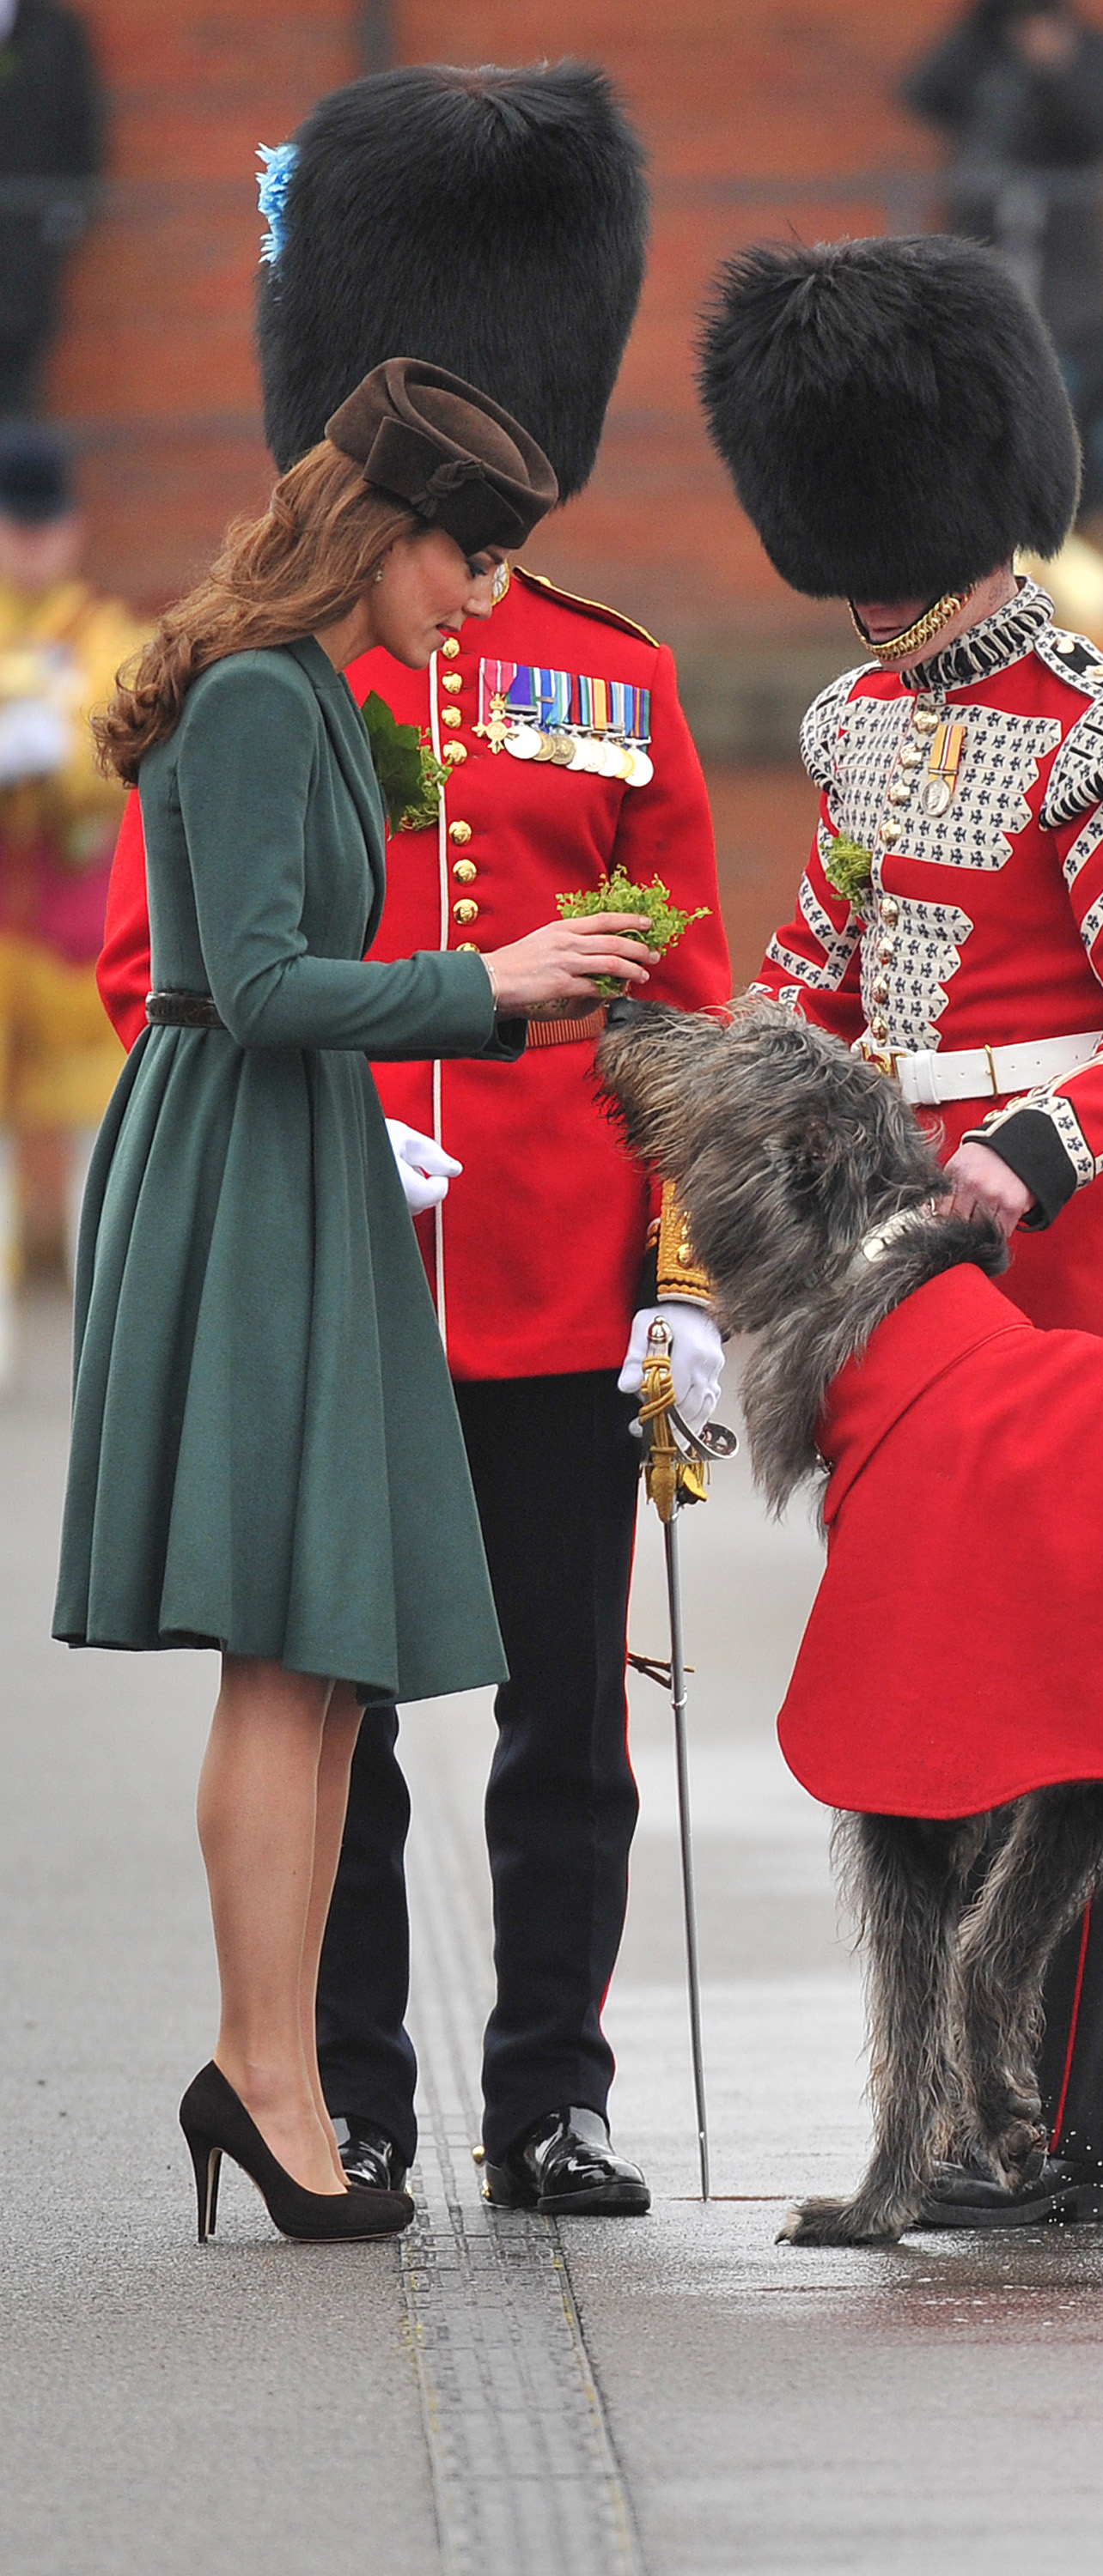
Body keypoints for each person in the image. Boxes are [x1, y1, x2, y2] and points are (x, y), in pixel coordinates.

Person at [94, 64, 732, 2218]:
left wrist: (687, 1279)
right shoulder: (267, 675)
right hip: (340, 1259)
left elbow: (685, 1011)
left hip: (556, 1267)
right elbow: (154, 964)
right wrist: (353, 1123)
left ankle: (547, 2088)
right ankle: (342, 2087)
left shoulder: (609, 684)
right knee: (337, 1720)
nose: (477, 579)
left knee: (566, 1733)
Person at [699, 231, 1103, 2223]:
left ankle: (1062, 2118)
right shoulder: (859, 726)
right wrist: (709, 1210)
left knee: (1082, 1698)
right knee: (938, 1676)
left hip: (1075, 1268)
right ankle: (945, 2096)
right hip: (900, 1283)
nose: (865, 585)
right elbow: (814, 979)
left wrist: (1022, 1145)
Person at [0, 425, 143, 1382]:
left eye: (45, 527)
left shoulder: (109, 636)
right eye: (17, 526)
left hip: (71, 938)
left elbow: (118, 744)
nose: (32, 545)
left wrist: (54, 738)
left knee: (105, 1151)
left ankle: (110, 1357)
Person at [902, 0, 1103, 333]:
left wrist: (1055, 70)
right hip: (979, 223)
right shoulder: (983, 46)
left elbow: (1097, 132)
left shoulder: (1097, 51)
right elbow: (923, 91)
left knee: (1067, 334)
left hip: (1061, 234)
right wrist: (981, 19)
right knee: (971, 328)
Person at [0, 0, 101, 416]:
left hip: (24, 264)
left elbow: (81, 135)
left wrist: (56, 225)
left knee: (17, 396)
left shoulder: (55, 31)